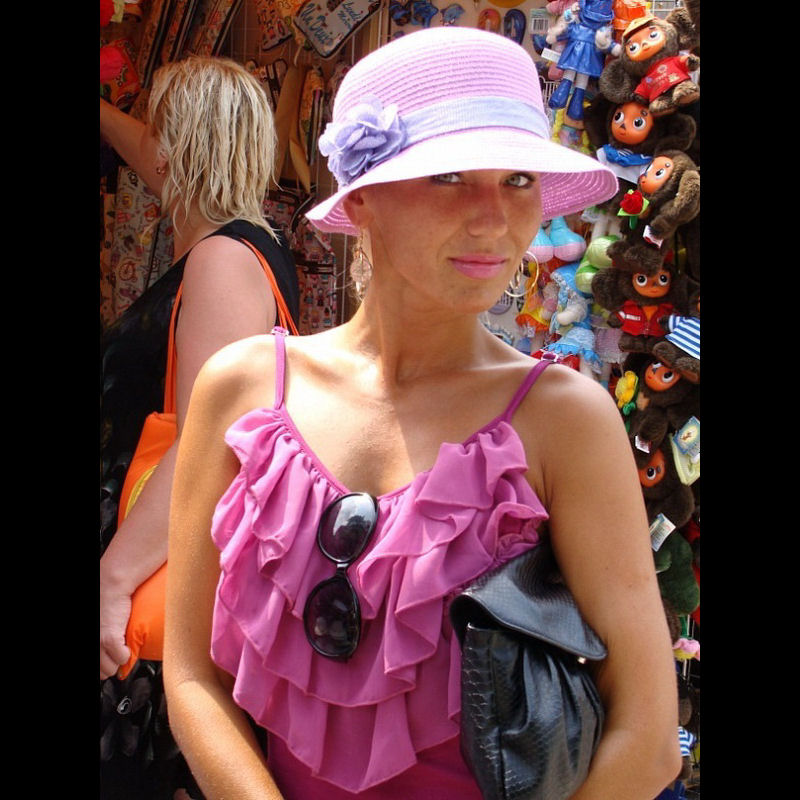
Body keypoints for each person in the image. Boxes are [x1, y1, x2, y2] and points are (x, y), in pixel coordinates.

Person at [163, 27, 682, 800]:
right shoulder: (241, 390)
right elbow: (191, 674)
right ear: (361, 197)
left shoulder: (563, 420)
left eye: (517, 179)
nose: (493, 218)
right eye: (448, 177)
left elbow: (647, 734)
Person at [99, 55, 300, 797]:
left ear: (175, 145)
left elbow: (211, 439)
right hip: (161, 566)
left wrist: (113, 580)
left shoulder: (221, 260)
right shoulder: (236, 249)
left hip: (156, 582)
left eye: (153, 127)